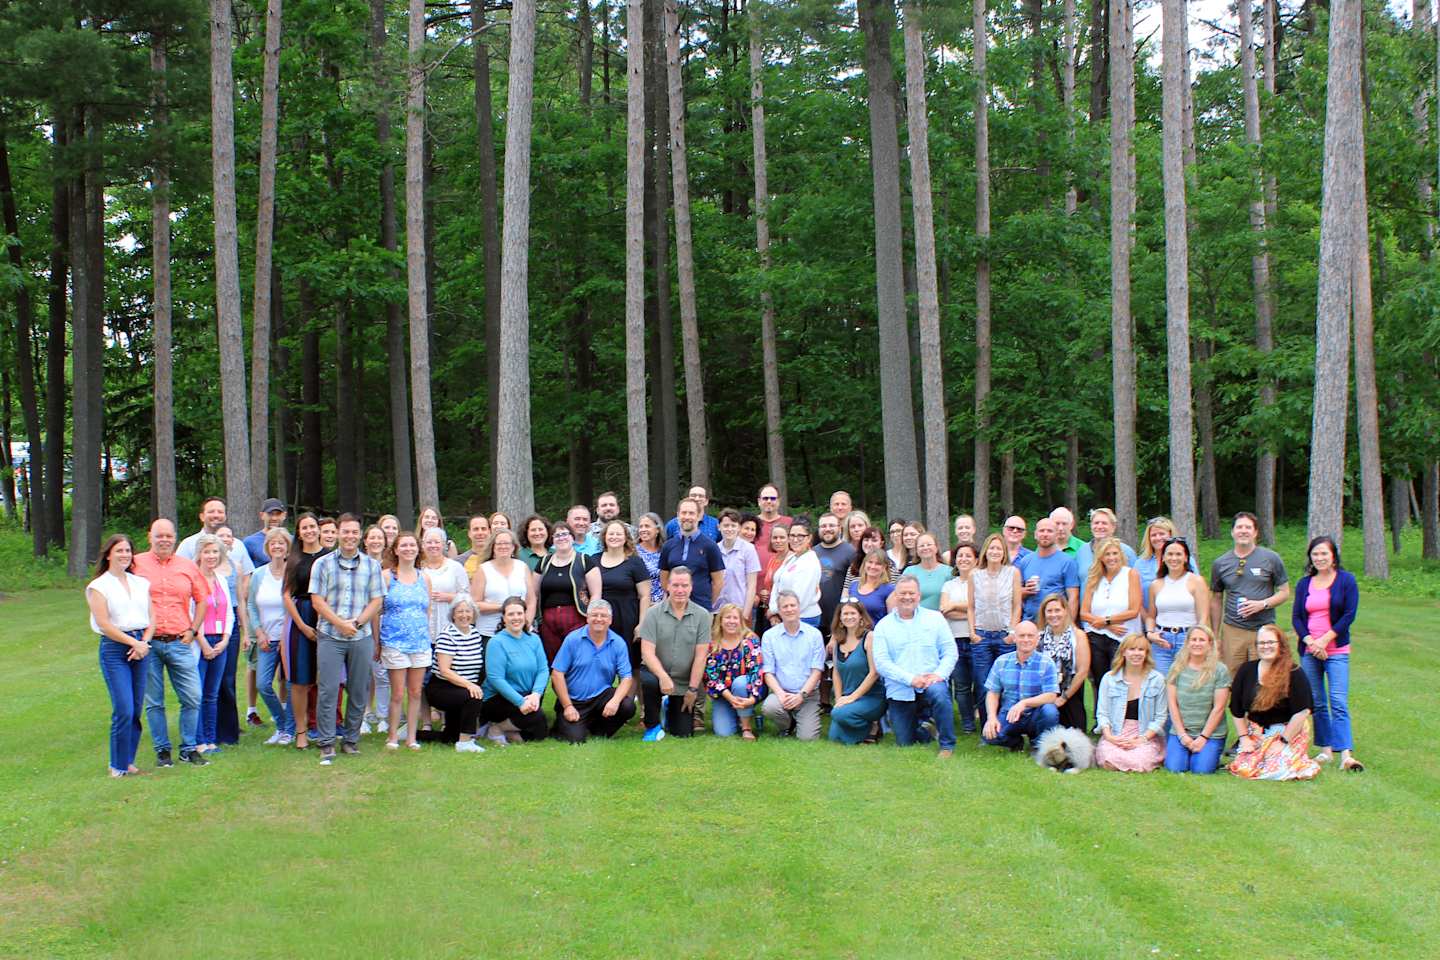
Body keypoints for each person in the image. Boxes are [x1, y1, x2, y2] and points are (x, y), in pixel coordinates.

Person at [132, 518, 209, 767]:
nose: (164, 540)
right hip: (148, 643)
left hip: (179, 641)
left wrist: (193, 630)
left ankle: (188, 748)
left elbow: (202, 599)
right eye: (159, 535)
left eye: (168, 536)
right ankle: (162, 751)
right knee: (154, 701)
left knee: (193, 696)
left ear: (175, 538)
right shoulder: (136, 564)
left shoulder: (187, 566)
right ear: (150, 537)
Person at [309, 514, 383, 765]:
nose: (350, 536)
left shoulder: (371, 565)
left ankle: (351, 740)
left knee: (359, 689)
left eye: (354, 532)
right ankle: (326, 742)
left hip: (361, 636)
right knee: (328, 689)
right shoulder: (322, 564)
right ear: (338, 533)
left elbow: (376, 600)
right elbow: (317, 600)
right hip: (330, 635)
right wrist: (340, 624)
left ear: (360, 535)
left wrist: (358, 623)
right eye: (346, 531)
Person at [1292, 535, 1363, 771]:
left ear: (1333, 556)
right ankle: (1325, 750)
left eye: (1324, 553)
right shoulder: (1304, 584)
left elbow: (1349, 615)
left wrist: (1325, 640)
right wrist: (1311, 642)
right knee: (1317, 701)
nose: (1319, 557)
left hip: (1336, 649)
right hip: (1310, 650)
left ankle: (1345, 754)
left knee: (1338, 701)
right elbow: (1297, 618)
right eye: (1315, 554)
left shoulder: (1346, 580)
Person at [88, 534, 155, 777]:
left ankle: (128, 761)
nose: (125, 555)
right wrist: (133, 643)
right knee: (124, 708)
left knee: (136, 708)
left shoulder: (140, 583)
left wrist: (143, 643)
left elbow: (152, 617)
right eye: (119, 550)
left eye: (128, 550)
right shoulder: (99, 586)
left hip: (141, 647)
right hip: (115, 649)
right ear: (108, 554)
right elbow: (104, 624)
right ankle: (116, 765)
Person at [873, 576, 957, 756]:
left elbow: (950, 651)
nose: (907, 597)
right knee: (905, 742)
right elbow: (881, 662)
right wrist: (910, 679)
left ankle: (947, 746)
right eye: (902, 593)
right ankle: (927, 727)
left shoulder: (935, 619)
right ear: (895, 596)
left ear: (919, 596)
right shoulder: (883, 626)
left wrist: (939, 674)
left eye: (911, 593)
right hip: (901, 688)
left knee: (940, 696)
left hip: (931, 681)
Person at [1228, 624, 1319, 780]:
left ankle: (1297, 761)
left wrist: (1283, 741)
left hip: (1288, 731)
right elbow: (1236, 710)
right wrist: (1244, 738)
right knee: (1244, 770)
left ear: (1280, 645)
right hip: (1257, 731)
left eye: (1270, 642)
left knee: (1277, 770)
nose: (1266, 646)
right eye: (1262, 643)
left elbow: (1302, 712)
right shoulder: (1246, 670)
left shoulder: (1294, 672)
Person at [1209, 511, 1290, 675]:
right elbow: (1216, 598)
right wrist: (1216, 634)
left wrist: (1263, 604)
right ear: (1232, 532)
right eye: (1239, 527)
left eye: (1248, 527)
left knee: (1263, 675)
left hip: (1263, 629)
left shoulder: (1271, 558)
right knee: (1231, 676)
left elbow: (1284, 592)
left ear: (1255, 532)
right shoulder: (1220, 563)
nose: (1243, 531)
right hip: (1233, 630)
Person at [635, 565, 711, 739]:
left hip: (684, 681)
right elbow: (647, 653)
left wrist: (692, 690)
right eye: (675, 585)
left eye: (684, 585)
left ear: (691, 587)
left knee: (683, 733)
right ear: (667, 586)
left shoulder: (702, 616)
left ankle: (668, 708)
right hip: (656, 675)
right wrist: (663, 677)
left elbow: (701, 657)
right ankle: (652, 725)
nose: (680, 590)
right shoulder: (652, 613)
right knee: (649, 681)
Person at [550, 600, 637, 742]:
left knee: (627, 706)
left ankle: (599, 731)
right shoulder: (573, 639)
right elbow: (557, 674)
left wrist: (615, 701)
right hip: (574, 700)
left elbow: (626, 677)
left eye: (603, 616)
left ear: (610, 620)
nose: (599, 619)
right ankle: (565, 725)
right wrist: (568, 706)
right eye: (594, 615)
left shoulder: (618, 643)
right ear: (587, 618)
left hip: (601, 697)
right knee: (576, 739)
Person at [1080, 536, 1144, 723]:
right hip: (1097, 637)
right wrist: (1106, 624)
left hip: (1123, 638)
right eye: (1107, 554)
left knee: (1122, 681)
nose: (1111, 557)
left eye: (1115, 553)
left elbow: (1134, 609)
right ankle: (1102, 722)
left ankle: (1125, 721)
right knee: (1101, 681)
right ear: (1100, 557)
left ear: (1121, 555)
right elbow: (1084, 612)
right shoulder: (1094, 578)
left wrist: (1106, 620)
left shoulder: (1130, 574)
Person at [379, 530, 432, 751]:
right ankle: (392, 736)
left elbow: (427, 610)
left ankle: (411, 737)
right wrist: (377, 642)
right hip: (394, 641)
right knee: (398, 693)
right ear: (395, 550)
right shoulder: (386, 577)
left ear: (418, 549)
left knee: (416, 692)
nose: (408, 549)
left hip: (420, 642)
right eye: (404, 545)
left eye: (412, 545)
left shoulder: (424, 577)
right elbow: (377, 610)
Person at [283, 513, 328, 748]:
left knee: (325, 679)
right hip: (301, 616)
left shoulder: (329, 557)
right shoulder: (294, 559)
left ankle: (322, 727)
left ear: (318, 529)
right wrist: (302, 625)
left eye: (312, 526)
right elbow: (286, 595)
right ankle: (301, 730)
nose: (309, 531)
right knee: (300, 680)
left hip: (326, 616)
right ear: (299, 533)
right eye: (304, 528)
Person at [246, 527, 295, 746]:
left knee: (292, 683)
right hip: (266, 639)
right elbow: (251, 605)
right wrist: (258, 632)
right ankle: (282, 724)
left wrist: (286, 635)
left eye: (281, 543)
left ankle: (290, 730)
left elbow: (295, 606)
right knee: (263, 684)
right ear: (267, 547)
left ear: (287, 547)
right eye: (273, 543)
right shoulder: (259, 575)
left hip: (289, 639)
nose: (277, 546)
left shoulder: (293, 573)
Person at [1093, 633, 1168, 772]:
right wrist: (1110, 737)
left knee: (1141, 760)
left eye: (1141, 650)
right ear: (1123, 652)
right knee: (1108, 757)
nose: (1136, 653)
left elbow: (1160, 717)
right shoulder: (1109, 678)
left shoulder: (1157, 680)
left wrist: (1142, 739)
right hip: (1116, 732)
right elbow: (1102, 713)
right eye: (1132, 649)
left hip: (1144, 733)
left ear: (1146, 653)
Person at [981, 620, 1060, 750]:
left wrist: (1024, 703)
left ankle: (1039, 745)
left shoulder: (1047, 663)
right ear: (1014, 638)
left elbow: (1051, 696)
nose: (1026, 640)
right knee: (990, 736)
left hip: (1036, 713)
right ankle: (1016, 742)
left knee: (1050, 712)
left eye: (1030, 636)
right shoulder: (1001, 662)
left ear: (1037, 639)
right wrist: (991, 718)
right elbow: (993, 693)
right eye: (1022, 636)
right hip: (1010, 714)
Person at [480, 596, 551, 742]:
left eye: (519, 613)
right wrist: (520, 702)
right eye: (511, 614)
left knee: (541, 732)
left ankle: (501, 730)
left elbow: (543, 669)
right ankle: (497, 728)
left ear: (525, 615)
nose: (516, 617)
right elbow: (495, 679)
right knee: (535, 716)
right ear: (504, 618)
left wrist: (536, 694)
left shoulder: (534, 639)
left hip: (527, 695)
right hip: (498, 698)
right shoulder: (496, 642)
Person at [423, 595, 488, 752]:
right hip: (442, 687)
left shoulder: (475, 633)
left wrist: (470, 685)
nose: (464, 615)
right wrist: (470, 685)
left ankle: (413, 735)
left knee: (450, 737)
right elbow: (445, 670)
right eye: (460, 611)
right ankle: (465, 742)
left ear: (473, 614)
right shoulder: (447, 635)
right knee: (474, 696)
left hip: (461, 688)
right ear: (453, 614)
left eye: (468, 611)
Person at [968, 532, 1023, 718]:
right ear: (985, 551)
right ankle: (987, 725)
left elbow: (1017, 605)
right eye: (991, 548)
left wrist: (1013, 632)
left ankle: (1006, 724)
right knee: (983, 684)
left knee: (1007, 684)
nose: (995, 551)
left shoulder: (1012, 573)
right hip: (981, 636)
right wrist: (972, 633)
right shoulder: (975, 575)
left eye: (999, 548)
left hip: (1004, 636)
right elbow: (971, 606)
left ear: (1004, 552)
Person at [1164, 626, 1231, 774]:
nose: (1197, 643)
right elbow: (1172, 704)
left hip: (1210, 734)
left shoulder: (1220, 670)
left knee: (1201, 770)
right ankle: (1187, 751)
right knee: (1175, 768)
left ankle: (1210, 754)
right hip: (1182, 731)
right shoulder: (1176, 668)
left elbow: (1219, 708)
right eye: (1193, 639)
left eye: (1202, 640)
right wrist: (1182, 735)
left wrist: (1203, 737)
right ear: (1187, 643)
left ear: (1210, 644)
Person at [759, 592, 827, 741]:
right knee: (770, 707)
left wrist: (801, 695)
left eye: (792, 605)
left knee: (807, 739)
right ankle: (788, 724)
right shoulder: (769, 636)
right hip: (782, 693)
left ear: (799, 607)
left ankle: (801, 719)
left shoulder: (814, 635)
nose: (789, 609)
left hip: (808, 695)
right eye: (785, 606)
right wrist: (780, 694)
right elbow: (768, 672)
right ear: (779, 610)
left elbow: (817, 671)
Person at [192, 534, 237, 756]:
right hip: (199, 642)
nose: (211, 556)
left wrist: (226, 639)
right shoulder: (193, 579)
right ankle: (198, 740)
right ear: (199, 554)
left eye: (215, 552)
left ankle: (210, 739)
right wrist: (203, 643)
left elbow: (229, 612)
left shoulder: (221, 579)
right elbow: (191, 613)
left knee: (212, 694)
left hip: (220, 641)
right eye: (207, 552)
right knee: (197, 693)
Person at [1143, 537, 1210, 677]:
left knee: (1187, 682)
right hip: (1162, 641)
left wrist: (1196, 640)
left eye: (1178, 554)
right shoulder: (1156, 584)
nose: (1174, 558)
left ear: (1186, 558)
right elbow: (1151, 616)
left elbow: (1203, 618)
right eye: (1170, 554)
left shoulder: (1196, 581)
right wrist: (1150, 633)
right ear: (1163, 558)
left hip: (1187, 638)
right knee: (1162, 683)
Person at [537, 521, 602, 663]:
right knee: (554, 661)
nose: (562, 538)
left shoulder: (584, 560)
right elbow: (533, 593)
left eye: (565, 534)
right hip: (548, 620)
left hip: (577, 617)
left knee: (578, 659)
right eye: (557, 535)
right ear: (552, 540)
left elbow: (596, 594)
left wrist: (591, 616)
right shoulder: (543, 562)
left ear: (572, 537)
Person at [828, 601, 887, 745]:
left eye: (853, 613)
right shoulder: (838, 640)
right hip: (847, 697)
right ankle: (868, 726)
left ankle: (873, 726)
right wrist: (839, 699)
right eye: (845, 614)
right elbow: (836, 672)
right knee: (834, 737)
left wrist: (851, 698)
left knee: (838, 714)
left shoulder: (869, 637)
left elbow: (874, 673)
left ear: (861, 616)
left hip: (871, 697)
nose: (849, 617)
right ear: (840, 618)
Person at [212, 525, 251, 745]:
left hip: (232, 623)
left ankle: (229, 730)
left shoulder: (236, 566)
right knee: (211, 678)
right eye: (221, 536)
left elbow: (241, 602)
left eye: (229, 536)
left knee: (228, 678)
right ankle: (210, 726)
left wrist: (245, 631)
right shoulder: (205, 565)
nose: (226, 539)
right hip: (210, 623)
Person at [593, 521, 652, 664]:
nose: (614, 537)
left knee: (630, 665)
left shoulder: (635, 562)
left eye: (618, 534)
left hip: (628, 620)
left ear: (626, 538)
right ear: (604, 537)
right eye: (611, 534)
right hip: (601, 620)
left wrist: (642, 624)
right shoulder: (593, 560)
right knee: (601, 662)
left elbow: (645, 595)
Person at [704, 604, 764, 739]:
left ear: (740, 621)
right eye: (727, 617)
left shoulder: (750, 641)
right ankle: (737, 714)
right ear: (720, 621)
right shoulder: (712, 645)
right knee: (723, 732)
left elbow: (756, 671)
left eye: (735, 618)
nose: (731, 621)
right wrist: (730, 697)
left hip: (746, 691)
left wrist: (751, 699)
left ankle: (746, 728)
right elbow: (711, 676)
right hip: (723, 694)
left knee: (740, 683)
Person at [1037, 592, 1090, 731]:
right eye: (1049, 611)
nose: (1053, 615)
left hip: (1070, 690)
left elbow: (1083, 671)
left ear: (1065, 611)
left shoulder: (1078, 635)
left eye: (1057, 610)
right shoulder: (1039, 636)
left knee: (1075, 735)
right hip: (1046, 690)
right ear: (1044, 614)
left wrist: (1063, 698)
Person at [660, 497, 725, 610]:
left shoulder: (710, 546)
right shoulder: (668, 546)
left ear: (699, 516)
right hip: (674, 609)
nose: (687, 517)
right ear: (678, 515)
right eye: (683, 513)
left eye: (691, 513)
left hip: (701, 608)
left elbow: (718, 582)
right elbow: (664, 579)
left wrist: (706, 605)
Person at [471, 529, 538, 639]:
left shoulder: (522, 567)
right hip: (490, 632)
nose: (503, 546)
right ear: (493, 547)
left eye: (507, 543)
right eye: (499, 543)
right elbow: (475, 604)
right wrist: (505, 608)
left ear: (513, 547)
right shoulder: (483, 570)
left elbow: (531, 601)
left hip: (521, 631)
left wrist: (526, 623)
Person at [940, 542, 978, 733]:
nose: (963, 559)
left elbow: (980, 608)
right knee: (961, 686)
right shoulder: (949, 585)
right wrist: (970, 610)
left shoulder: (981, 582)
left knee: (981, 683)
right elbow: (944, 610)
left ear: (976, 560)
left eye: (968, 556)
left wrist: (955, 606)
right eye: (960, 556)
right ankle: (968, 724)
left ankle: (985, 720)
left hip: (976, 639)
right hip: (954, 640)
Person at [360, 524, 392, 735]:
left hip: (384, 623)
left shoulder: (390, 567)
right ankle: (362, 715)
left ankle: (383, 716)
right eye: (372, 537)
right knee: (362, 673)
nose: (376, 541)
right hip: (362, 622)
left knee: (381, 673)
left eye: (379, 537)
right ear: (365, 541)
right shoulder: (358, 564)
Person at [1015, 517, 1080, 621]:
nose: (1045, 534)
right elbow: (1016, 595)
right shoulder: (1025, 561)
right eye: (1042, 530)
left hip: (1056, 622)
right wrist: (1025, 591)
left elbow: (1073, 597)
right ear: (1035, 534)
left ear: (1056, 535)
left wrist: (1068, 625)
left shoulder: (1067, 562)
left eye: (1050, 531)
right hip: (1030, 622)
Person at [1074, 508, 1138, 602]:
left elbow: (1136, 584)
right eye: (1096, 523)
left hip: (1118, 609)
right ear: (1091, 526)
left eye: (1104, 523)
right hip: (1086, 609)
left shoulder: (1126, 552)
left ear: (1113, 527)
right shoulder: (1081, 552)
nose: (1099, 526)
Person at [767, 520, 822, 627]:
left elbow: (800, 599)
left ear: (809, 538)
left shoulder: (809, 562)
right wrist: (774, 609)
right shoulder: (793, 557)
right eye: (792, 535)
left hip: (804, 618)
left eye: (800, 536)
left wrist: (774, 610)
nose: (795, 539)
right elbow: (777, 583)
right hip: (785, 614)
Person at [419, 526, 470, 640]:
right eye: (429, 542)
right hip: (423, 626)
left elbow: (467, 597)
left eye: (437, 542)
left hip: (449, 623)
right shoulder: (418, 568)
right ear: (423, 545)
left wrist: (449, 597)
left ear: (443, 545)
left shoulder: (455, 567)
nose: (433, 545)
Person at [1135, 516, 1197, 606]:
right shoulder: (1140, 564)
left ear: (1170, 535)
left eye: (1162, 534)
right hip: (1149, 613)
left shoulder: (1186, 560)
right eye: (1153, 535)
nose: (1158, 538)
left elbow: (1197, 590)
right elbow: (1134, 596)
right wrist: (1146, 615)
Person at [715, 509, 761, 615]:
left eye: (733, 525)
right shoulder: (714, 549)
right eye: (726, 525)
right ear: (719, 527)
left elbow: (751, 585)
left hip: (739, 610)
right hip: (717, 610)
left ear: (739, 527)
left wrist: (745, 614)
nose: (729, 529)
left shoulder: (748, 549)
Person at [843, 550, 897, 627]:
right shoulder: (853, 585)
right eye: (870, 562)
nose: (873, 566)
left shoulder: (889, 590)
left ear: (884, 567)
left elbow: (892, 620)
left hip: (876, 632)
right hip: (853, 632)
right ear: (864, 563)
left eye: (878, 564)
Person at [755, 522, 789, 634]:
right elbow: (770, 583)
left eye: (782, 537)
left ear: (789, 539)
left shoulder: (792, 560)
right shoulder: (773, 558)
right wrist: (764, 592)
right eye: (775, 538)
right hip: (768, 610)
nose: (778, 541)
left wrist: (776, 613)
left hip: (783, 613)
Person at [901, 532, 947, 610]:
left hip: (941, 616)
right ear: (917, 551)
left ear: (936, 548)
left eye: (929, 544)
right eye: (921, 546)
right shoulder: (909, 572)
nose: (925, 548)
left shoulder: (948, 572)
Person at [753, 483, 792, 570]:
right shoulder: (750, 524)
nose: (769, 501)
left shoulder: (790, 523)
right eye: (765, 498)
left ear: (778, 501)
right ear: (759, 501)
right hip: (754, 577)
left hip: (784, 575)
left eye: (773, 498)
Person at [842, 526, 890, 592]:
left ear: (881, 543)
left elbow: (894, 592)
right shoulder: (854, 565)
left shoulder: (889, 565)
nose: (869, 544)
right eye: (866, 540)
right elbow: (846, 591)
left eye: (874, 540)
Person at [243, 497, 288, 566]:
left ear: (284, 515)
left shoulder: (292, 540)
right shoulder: (250, 542)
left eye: (278, 514)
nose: (274, 518)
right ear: (261, 515)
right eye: (270, 514)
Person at [635, 512, 666, 605]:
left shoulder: (665, 550)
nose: (643, 529)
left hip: (663, 603)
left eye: (647, 526)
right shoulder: (633, 552)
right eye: (641, 527)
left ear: (657, 529)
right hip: (640, 603)